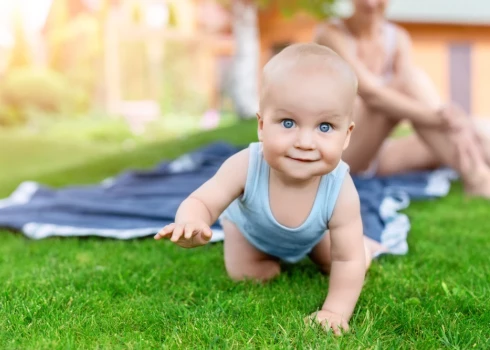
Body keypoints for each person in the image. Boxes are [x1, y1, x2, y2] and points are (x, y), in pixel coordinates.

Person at [155, 43, 379, 335]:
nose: (305, 142)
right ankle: (264, 259)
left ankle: (367, 246)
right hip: (250, 236)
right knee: (249, 276)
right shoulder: (247, 165)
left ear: (346, 135)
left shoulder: (340, 188)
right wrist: (192, 221)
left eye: (324, 127)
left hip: (311, 236)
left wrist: (334, 311)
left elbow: (346, 259)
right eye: (288, 122)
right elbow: (203, 200)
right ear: (262, 125)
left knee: (349, 262)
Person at [314, 0, 490, 198]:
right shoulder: (331, 34)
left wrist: (457, 123)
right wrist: (443, 118)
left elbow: (412, 100)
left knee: (474, 130)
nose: (371, 4)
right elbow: (372, 95)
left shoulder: (397, 38)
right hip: (342, 153)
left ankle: (481, 169)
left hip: (381, 155)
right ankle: (476, 177)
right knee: (409, 82)